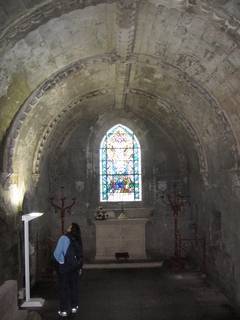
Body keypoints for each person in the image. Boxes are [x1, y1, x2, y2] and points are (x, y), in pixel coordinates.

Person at [53, 222, 83, 317]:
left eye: (70, 226)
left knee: (64, 289)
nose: (68, 227)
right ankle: (74, 307)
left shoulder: (64, 238)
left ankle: (64, 310)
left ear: (71, 229)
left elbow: (56, 253)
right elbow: (80, 255)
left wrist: (61, 262)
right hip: (75, 268)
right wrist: (79, 267)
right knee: (74, 287)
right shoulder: (77, 239)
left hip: (65, 269)